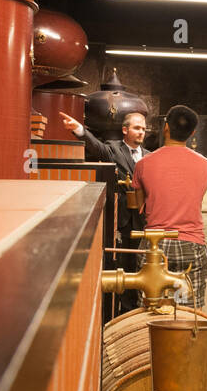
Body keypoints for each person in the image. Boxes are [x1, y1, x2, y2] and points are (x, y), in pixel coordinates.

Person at [60, 109, 149, 313]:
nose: (141, 132)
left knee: (141, 266)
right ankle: (122, 312)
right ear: (125, 130)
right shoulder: (114, 149)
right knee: (123, 266)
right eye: (137, 128)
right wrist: (79, 129)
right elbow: (97, 146)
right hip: (122, 220)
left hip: (144, 220)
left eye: (143, 129)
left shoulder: (150, 156)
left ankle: (136, 309)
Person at [129, 104, 207, 307]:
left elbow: (138, 205)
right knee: (188, 313)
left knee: (152, 311)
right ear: (192, 133)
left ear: (165, 127)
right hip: (192, 244)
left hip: (155, 245)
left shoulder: (143, 164)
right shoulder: (206, 164)